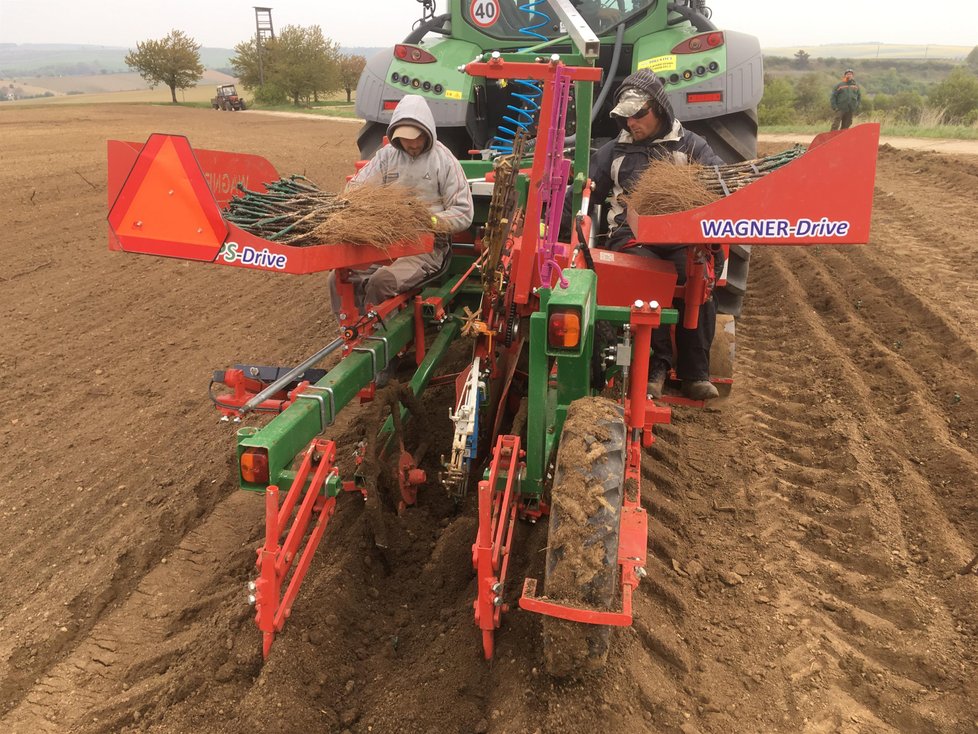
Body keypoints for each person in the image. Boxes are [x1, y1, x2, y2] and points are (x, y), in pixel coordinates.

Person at [587, 69, 725, 401]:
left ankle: (695, 373)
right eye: (626, 116)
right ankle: (655, 369)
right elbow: (586, 194)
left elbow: (719, 186)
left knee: (698, 276)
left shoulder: (691, 146)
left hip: (681, 239)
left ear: (659, 109)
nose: (632, 123)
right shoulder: (613, 153)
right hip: (631, 238)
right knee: (650, 278)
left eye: (639, 114)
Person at [327, 94, 474, 317]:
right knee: (338, 278)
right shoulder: (386, 157)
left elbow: (464, 213)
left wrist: (431, 221)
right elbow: (355, 189)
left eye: (418, 138)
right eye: (406, 139)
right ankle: (351, 330)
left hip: (426, 249)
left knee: (381, 282)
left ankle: (380, 339)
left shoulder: (444, 160)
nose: (413, 144)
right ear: (395, 135)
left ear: (428, 132)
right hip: (386, 242)